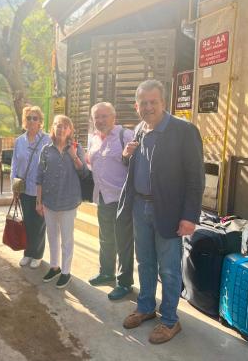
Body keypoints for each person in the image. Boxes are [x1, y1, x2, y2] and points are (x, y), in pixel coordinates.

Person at [117, 79, 204, 344]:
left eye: (153, 101)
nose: (148, 106)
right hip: (140, 208)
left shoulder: (184, 131)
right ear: (136, 106)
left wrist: (190, 217)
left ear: (163, 103)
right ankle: (145, 307)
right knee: (144, 262)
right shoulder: (140, 130)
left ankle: (169, 319)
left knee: (168, 268)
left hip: (168, 210)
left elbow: (195, 178)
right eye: (143, 103)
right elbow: (138, 168)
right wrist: (125, 156)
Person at [87, 102, 135, 300]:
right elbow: (91, 165)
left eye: (104, 116)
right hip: (102, 197)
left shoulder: (126, 136)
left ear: (113, 117)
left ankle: (124, 283)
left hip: (121, 198)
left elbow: (135, 164)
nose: (100, 120)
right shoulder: (93, 139)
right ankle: (107, 272)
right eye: (96, 117)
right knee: (105, 238)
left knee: (123, 242)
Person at [36, 115, 87, 289]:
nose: (61, 129)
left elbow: (84, 173)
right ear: (53, 128)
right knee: (52, 236)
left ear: (70, 130)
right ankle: (54, 266)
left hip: (69, 201)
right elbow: (39, 177)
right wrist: (38, 201)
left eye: (65, 126)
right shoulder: (46, 150)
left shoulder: (76, 148)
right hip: (49, 201)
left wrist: (74, 156)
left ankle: (66, 271)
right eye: (58, 126)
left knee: (67, 238)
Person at [11, 106, 51, 268]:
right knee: (27, 222)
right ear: (24, 121)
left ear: (41, 122)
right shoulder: (19, 141)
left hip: (41, 189)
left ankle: (37, 254)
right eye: (29, 118)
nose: (32, 121)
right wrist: (14, 186)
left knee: (39, 223)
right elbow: (14, 164)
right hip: (24, 188)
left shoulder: (48, 139)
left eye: (35, 118)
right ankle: (27, 252)